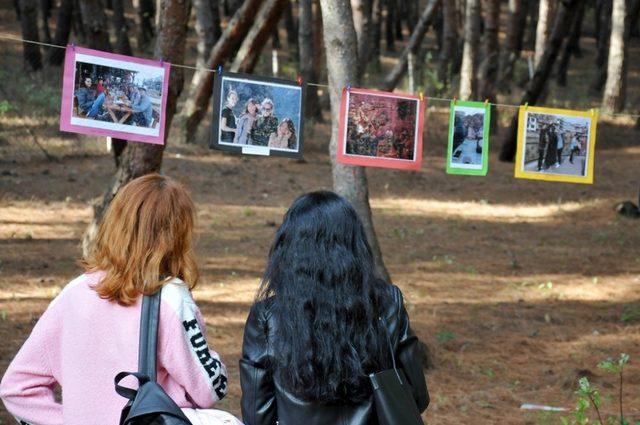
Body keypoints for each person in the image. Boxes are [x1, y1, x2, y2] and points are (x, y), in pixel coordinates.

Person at [0, 174, 242, 425]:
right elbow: (210, 389)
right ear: (177, 234)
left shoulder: (73, 292)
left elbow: (17, 388)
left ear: (115, 223)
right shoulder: (170, 298)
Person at [240, 191, 429, 425]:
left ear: (288, 248)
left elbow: (256, 414)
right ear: (354, 245)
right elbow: (416, 397)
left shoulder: (267, 316)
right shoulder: (388, 304)